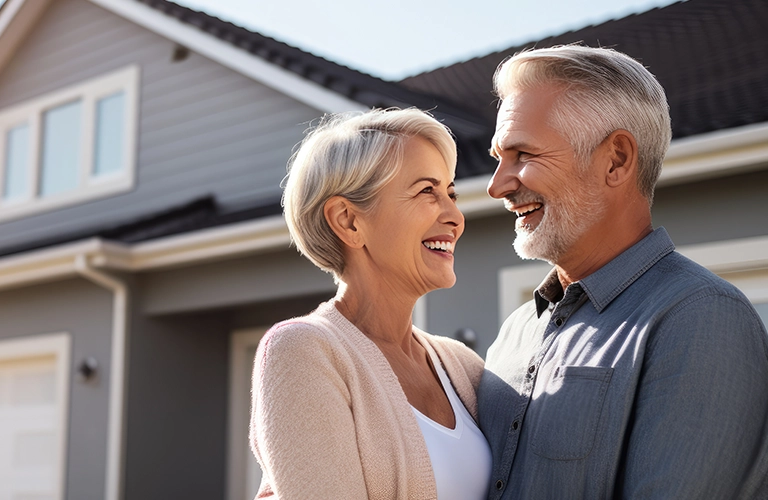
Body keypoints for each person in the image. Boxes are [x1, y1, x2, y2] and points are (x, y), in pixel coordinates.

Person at [480, 44, 768, 499]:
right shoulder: (514, 333)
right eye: (499, 157)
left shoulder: (701, 319)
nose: (498, 185)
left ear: (615, 159)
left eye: (522, 155)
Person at [249, 108, 491, 499]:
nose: (455, 216)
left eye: (451, 193)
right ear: (348, 221)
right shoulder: (304, 353)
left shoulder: (462, 365)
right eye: (427, 191)